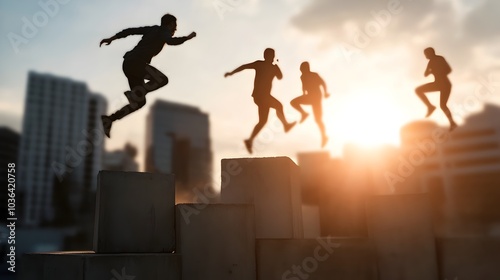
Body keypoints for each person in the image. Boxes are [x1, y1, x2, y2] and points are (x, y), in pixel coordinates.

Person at [99, 14, 196, 138]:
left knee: (139, 102)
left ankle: (110, 119)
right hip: (137, 63)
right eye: (175, 26)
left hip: (128, 64)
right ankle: (134, 95)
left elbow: (130, 31)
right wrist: (187, 38)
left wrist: (111, 38)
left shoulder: (151, 29)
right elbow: (171, 41)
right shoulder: (164, 31)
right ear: (170, 24)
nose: (175, 30)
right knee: (162, 79)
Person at [224, 48, 296, 154]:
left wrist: (277, 67)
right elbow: (244, 67)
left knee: (263, 121)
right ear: (266, 56)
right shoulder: (259, 64)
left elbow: (280, 77)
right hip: (261, 96)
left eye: (272, 56)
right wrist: (231, 73)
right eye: (270, 55)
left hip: (262, 97)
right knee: (278, 105)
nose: (271, 58)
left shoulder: (273, 67)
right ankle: (285, 125)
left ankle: (249, 140)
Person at [415, 47, 457, 131]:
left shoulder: (439, 59)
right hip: (437, 84)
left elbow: (448, 70)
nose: (425, 56)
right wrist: (430, 70)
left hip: (445, 84)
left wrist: (440, 72)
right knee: (418, 90)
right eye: (425, 54)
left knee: (443, 105)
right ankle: (430, 106)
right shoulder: (430, 62)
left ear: (431, 53)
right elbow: (425, 74)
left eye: (426, 54)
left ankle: (452, 123)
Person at [290, 62, 330, 147]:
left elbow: (322, 83)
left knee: (318, 119)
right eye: (301, 70)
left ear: (307, 68)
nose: (302, 72)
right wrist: (304, 94)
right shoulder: (302, 76)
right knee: (293, 102)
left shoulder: (314, 75)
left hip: (316, 98)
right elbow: (304, 86)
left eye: (303, 70)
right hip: (309, 97)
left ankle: (324, 136)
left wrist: (325, 92)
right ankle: (304, 113)